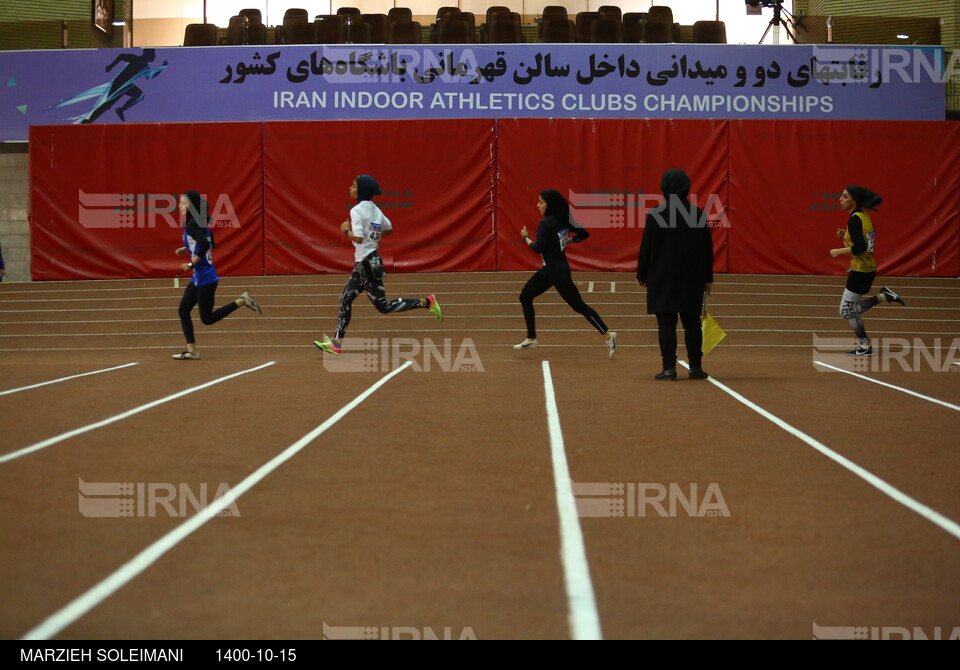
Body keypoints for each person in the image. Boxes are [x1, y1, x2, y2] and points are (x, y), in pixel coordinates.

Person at [313, 175, 442, 354]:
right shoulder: (375, 209)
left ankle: (427, 303)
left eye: (353, 186)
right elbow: (389, 228)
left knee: (383, 306)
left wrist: (345, 230)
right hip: (367, 262)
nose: (350, 188)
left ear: (361, 191)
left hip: (367, 265)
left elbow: (357, 237)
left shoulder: (356, 211)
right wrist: (373, 240)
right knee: (345, 299)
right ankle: (336, 344)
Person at [515, 189, 617, 357]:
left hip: (557, 272)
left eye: (541, 202)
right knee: (525, 296)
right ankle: (531, 337)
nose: (537, 205)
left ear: (550, 205)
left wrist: (525, 238)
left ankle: (608, 335)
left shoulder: (546, 224)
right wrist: (566, 241)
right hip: (552, 269)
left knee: (579, 306)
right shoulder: (563, 220)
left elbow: (538, 248)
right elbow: (584, 234)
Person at [636, 169, 713, 381]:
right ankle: (695, 367)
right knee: (692, 321)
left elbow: (647, 249)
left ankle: (669, 368)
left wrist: (642, 274)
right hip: (692, 277)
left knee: (666, 323)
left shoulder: (656, 214)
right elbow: (707, 249)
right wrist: (707, 278)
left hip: (663, 276)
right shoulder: (698, 214)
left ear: (665, 187)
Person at [172, 191, 262, 360]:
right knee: (183, 310)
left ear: (191, 205)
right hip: (199, 277)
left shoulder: (192, 224)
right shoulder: (199, 222)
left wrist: (191, 263)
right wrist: (187, 249)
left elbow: (206, 244)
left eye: (182, 203)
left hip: (205, 278)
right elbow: (209, 241)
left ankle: (242, 301)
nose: (179, 206)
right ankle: (192, 351)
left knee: (207, 319)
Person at [829, 185, 905, 356]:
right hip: (866, 268)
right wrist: (845, 238)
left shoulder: (854, 220)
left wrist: (838, 251)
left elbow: (860, 248)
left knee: (846, 310)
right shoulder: (863, 217)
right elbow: (860, 245)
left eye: (845, 196)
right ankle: (865, 345)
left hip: (861, 270)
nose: (840, 199)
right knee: (850, 310)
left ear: (854, 201)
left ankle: (866, 344)